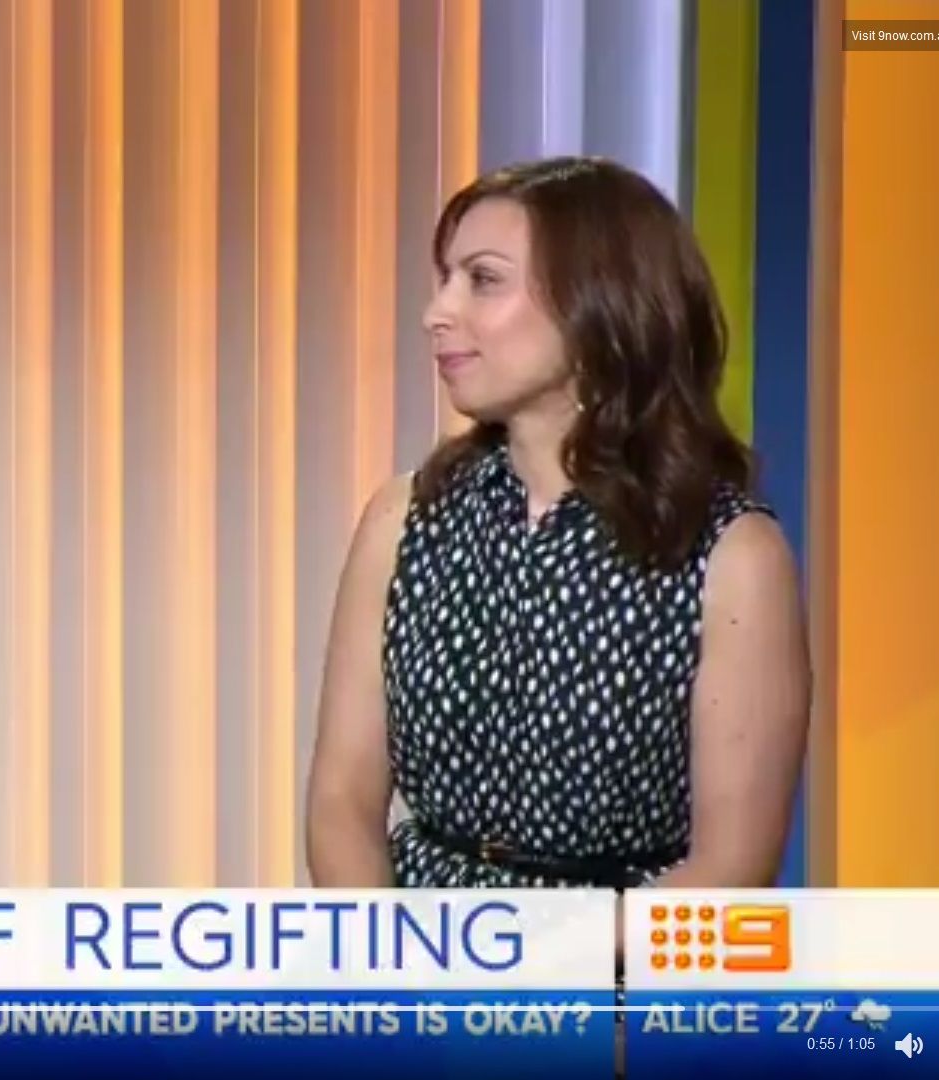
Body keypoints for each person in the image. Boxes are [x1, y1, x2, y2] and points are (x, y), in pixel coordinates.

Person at [305, 156, 810, 889]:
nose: (437, 312)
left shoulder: (731, 556)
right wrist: (394, 955)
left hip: (621, 951)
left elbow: (730, 869)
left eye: (483, 279)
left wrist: (542, 955)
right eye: (445, 278)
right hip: (419, 946)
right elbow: (341, 803)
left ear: (598, 303)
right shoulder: (404, 520)